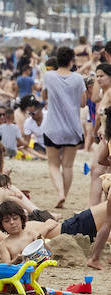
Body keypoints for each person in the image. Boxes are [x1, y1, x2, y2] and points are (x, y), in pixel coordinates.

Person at [41, 46, 86, 208]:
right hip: (73, 129)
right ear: (71, 61)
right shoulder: (78, 79)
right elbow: (83, 103)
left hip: (53, 127)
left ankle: (59, 193)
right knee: (67, 165)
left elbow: (43, 96)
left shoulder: (49, 76)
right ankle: (64, 197)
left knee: (53, 164)